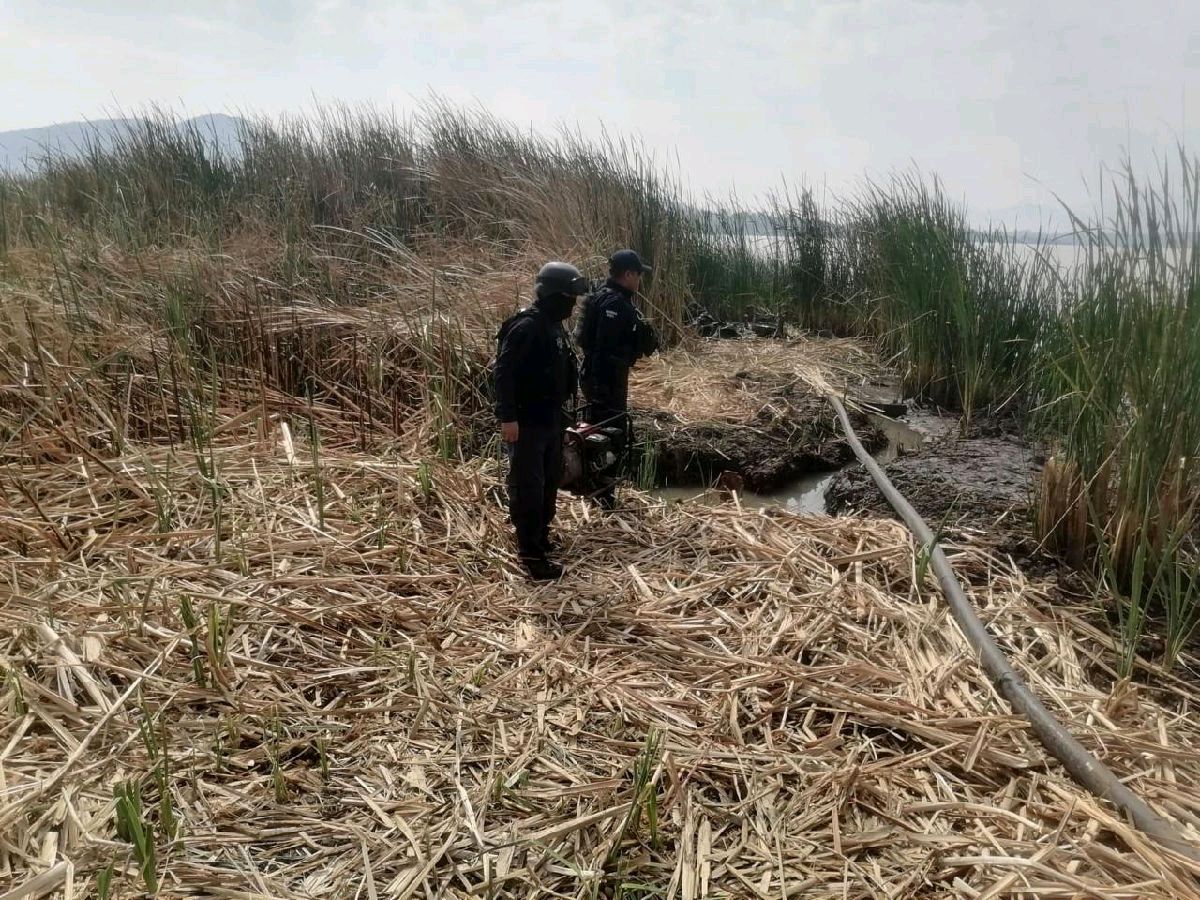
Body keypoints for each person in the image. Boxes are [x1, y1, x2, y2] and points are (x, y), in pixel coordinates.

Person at [493, 261, 586, 580]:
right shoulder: (527, 326)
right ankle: (531, 555)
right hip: (527, 423)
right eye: (568, 297)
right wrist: (508, 418)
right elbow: (503, 374)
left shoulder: (553, 325)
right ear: (551, 295)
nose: (572, 305)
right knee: (529, 486)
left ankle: (540, 538)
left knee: (548, 481)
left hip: (551, 420)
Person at [574, 249, 659, 506]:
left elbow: (585, 340)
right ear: (628, 274)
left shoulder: (600, 296)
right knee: (610, 435)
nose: (640, 280)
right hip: (606, 380)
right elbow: (604, 348)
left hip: (596, 376)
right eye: (638, 275)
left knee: (598, 431)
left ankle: (596, 489)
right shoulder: (614, 304)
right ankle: (603, 496)